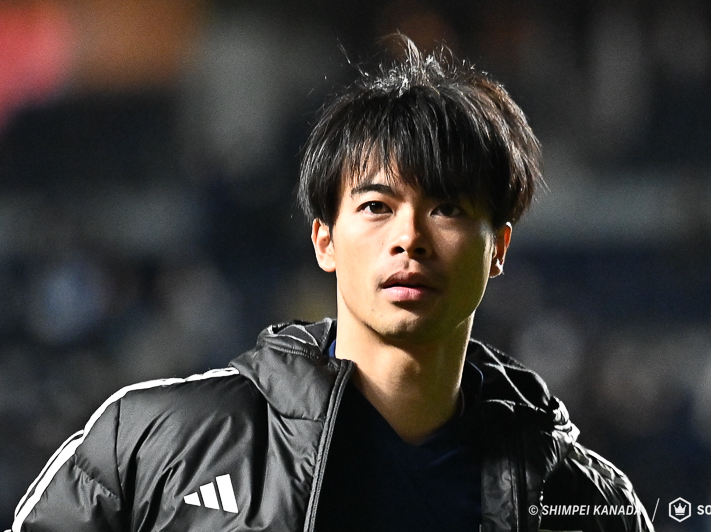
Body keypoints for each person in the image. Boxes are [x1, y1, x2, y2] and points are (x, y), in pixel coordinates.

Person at [9, 37, 654, 532]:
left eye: (447, 208)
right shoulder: (155, 443)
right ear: (324, 240)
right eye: (376, 206)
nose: (409, 237)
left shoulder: (583, 501)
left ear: (498, 250)